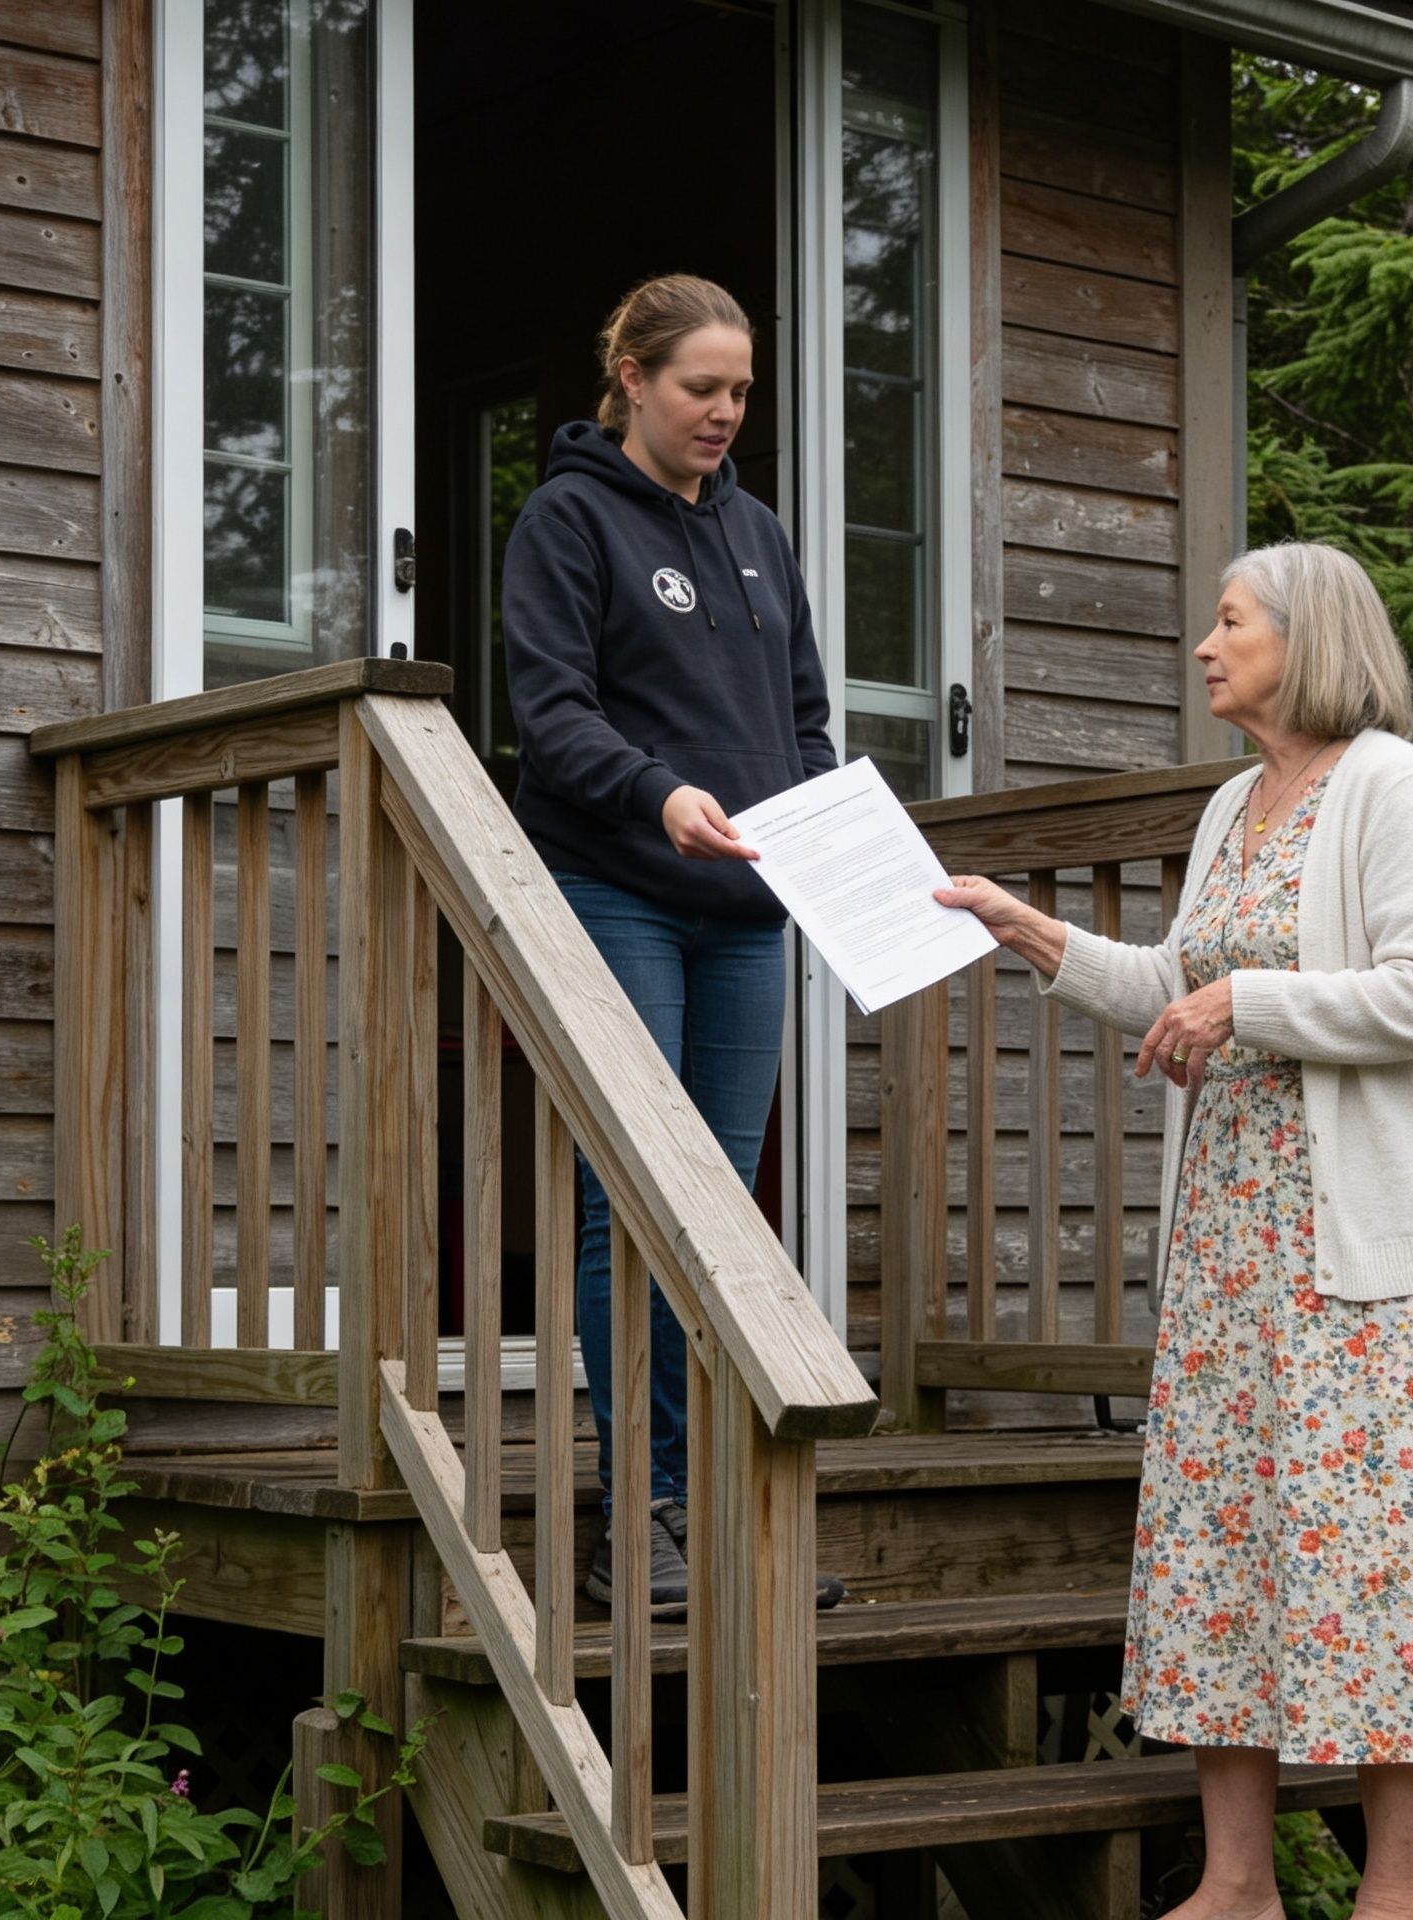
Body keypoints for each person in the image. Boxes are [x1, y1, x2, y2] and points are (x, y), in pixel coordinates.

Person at [936, 543, 1413, 1920]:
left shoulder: (1390, 787)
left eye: (1230, 623)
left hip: (1357, 1260)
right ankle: (1239, 1883)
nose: (1204, 645)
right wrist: (1029, 930)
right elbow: (1170, 987)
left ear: (1306, 639)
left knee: (1378, 1563)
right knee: (1219, 1552)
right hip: (1230, 1255)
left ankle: (1392, 1892)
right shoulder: (1232, 806)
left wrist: (1242, 1002)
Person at [502, 274, 845, 1618]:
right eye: (700, 386)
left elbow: (805, 723)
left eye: (740, 391)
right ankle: (636, 1514)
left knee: (724, 1213)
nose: (722, 411)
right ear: (632, 378)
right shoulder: (566, 518)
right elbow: (552, 714)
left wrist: (821, 822)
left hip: (748, 919)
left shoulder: (759, 533)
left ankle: (718, 1508)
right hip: (619, 891)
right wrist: (659, 793)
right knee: (631, 1202)